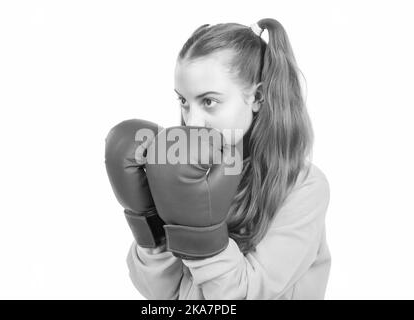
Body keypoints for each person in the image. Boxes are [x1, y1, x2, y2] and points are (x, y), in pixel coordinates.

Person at [111, 18, 331, 300]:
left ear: (258, 97)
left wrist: (200, 233)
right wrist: (149, 223)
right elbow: (163, 295)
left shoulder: (303, 188)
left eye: (209, 101)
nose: (192, 123)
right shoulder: (187, 169)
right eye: (184, 102)